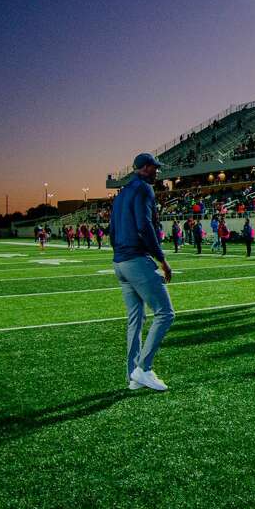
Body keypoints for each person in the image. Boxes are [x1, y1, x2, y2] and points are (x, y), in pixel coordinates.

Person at [110, 152, 174, 392]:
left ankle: (133, 376)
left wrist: (120, 255)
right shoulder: (144, 189)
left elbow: (112, 229)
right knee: (165, 313)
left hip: (120, 262)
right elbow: (144, 225)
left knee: (135, 320)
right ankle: (144, 368)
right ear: (145, 168)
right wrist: (162, 259)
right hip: (136, 259)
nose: (157, 172)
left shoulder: (121, 193)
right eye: (154, 168)